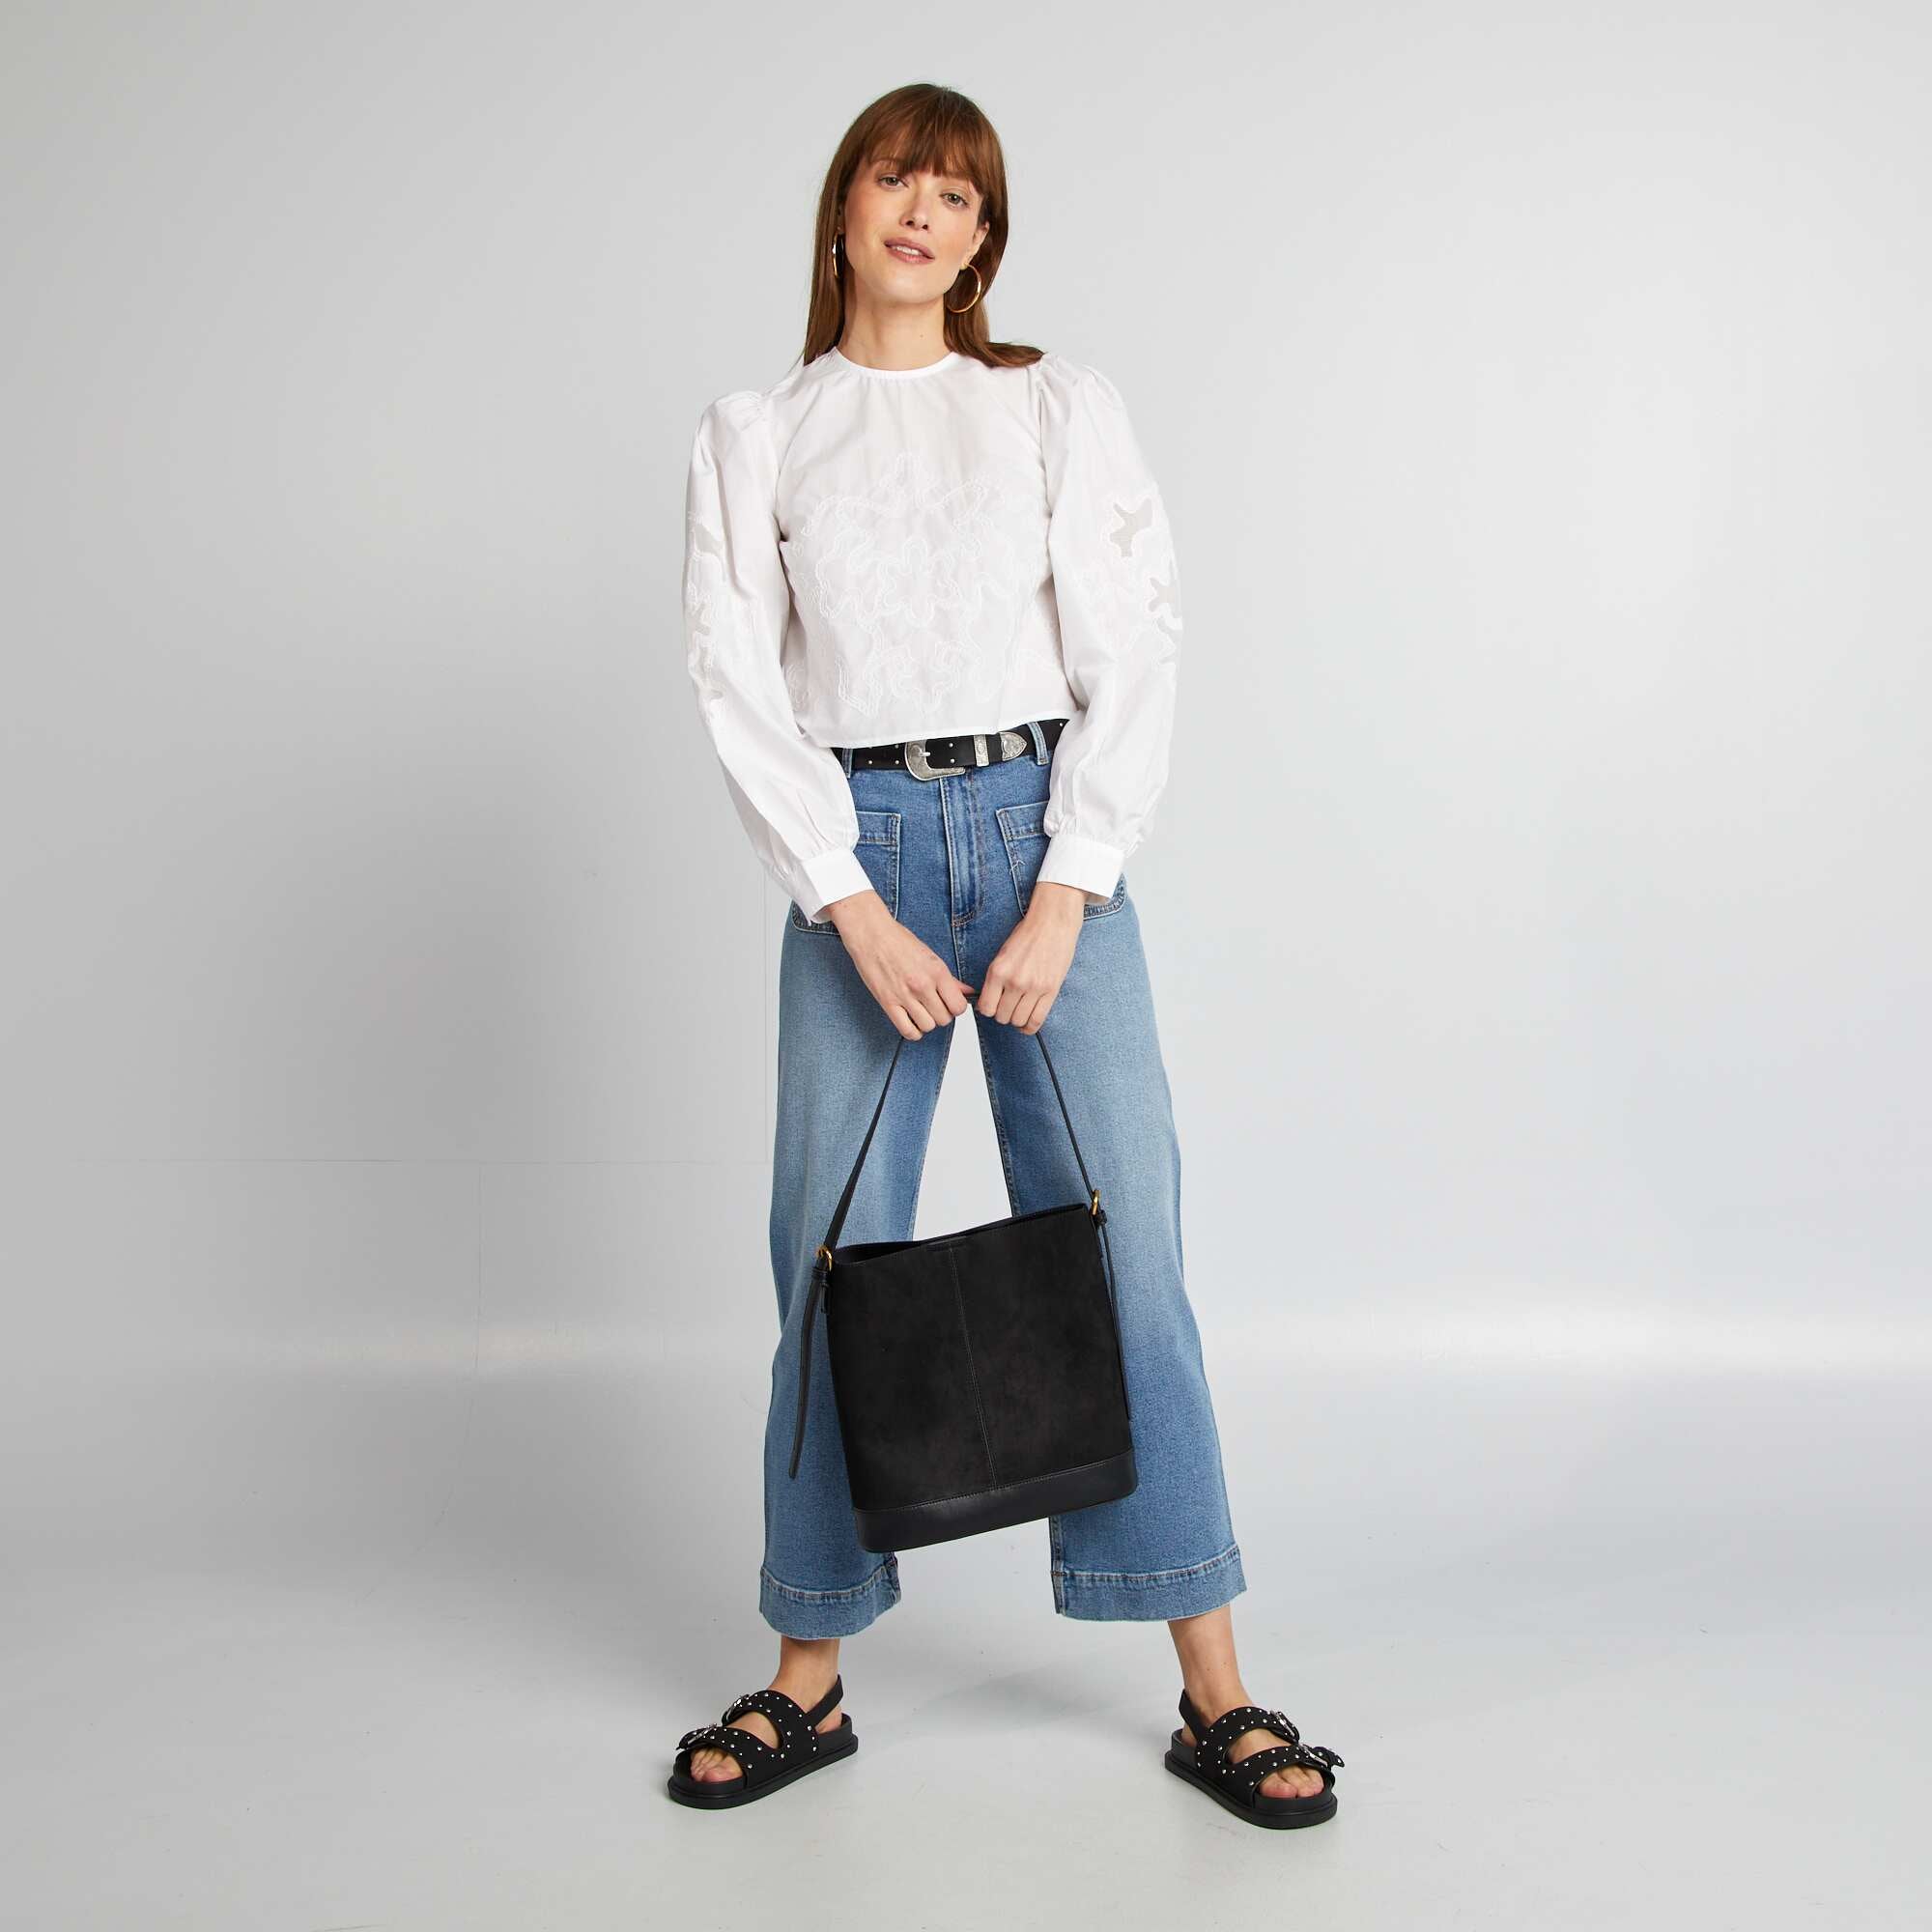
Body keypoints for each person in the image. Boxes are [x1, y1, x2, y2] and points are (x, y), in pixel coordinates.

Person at [668, 83, 1345, 1829]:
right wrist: (848, 899)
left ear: (985, 241)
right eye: (897, 177)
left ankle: (1216, 1690)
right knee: (825, 1253)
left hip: (1047, 830)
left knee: (1129, 1243)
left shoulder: (1050, 405)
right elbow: (736, 678)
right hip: (863, 852)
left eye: (958, 194)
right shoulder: (759, 433)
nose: (923, 211)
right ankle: (809, 1673)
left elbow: (1138, 640)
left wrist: (1070, 885)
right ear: (844, 206)